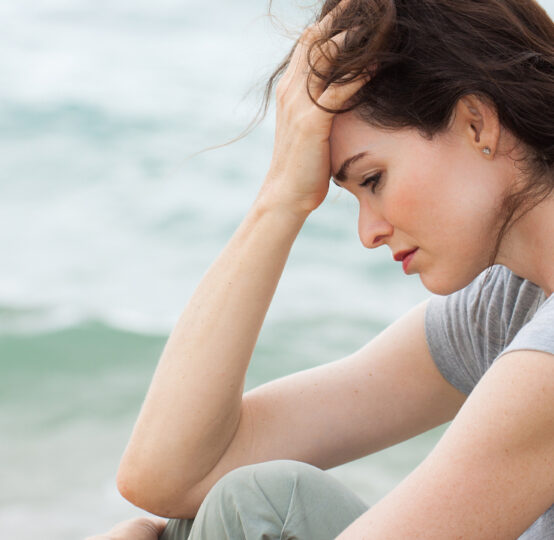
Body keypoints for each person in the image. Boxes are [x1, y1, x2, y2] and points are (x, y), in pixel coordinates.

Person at [107, 0, 554, 538]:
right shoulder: (509, 308)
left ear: (477, 123)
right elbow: (168, 474)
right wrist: (281, 198)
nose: (369, 234)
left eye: (372, 180)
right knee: (256, 499)